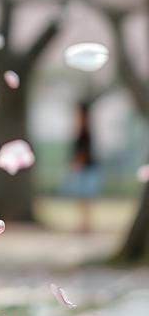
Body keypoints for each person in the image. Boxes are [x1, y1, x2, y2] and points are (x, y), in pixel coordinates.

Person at [62, 98, 102, 233]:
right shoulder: (82, 130)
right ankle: (84, 224)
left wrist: (77, 163)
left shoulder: (85, 131)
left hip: (86, 168)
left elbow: (84, 152)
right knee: (83, 198)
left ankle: (86, 225)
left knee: (85, 197)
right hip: (84, 168)